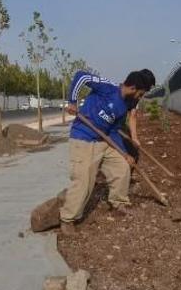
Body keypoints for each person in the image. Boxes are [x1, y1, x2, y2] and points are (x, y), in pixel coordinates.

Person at [60, 69, 156, 233]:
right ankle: (68, 219)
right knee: (84, 182)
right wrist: (72, 101)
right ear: (133, 88)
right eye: (140, 94)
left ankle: (118, 203)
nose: (140, 98)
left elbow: (113, 130)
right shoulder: (107, 88)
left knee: (122, 167)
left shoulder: (126, 104)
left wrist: (125, 153)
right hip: (84, 138)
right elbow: (80, 76)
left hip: (103, 139)